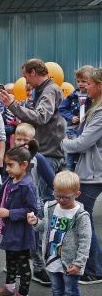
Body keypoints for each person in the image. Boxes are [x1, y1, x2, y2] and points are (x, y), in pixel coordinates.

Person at [28, 171, 92, 296]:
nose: (61, 200)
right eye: (57, 195)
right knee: (56, 290)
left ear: (77, 194)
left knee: (72, 293)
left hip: (70, 263)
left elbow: (85, 241)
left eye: (66, 197)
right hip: (52, 259)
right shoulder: (51, 207)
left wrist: (79, 263)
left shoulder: (81, 215)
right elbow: (46, 226)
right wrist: (36, 222)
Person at [0, 59, 65, 199]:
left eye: (26, 76)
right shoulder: (44, 90)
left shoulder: (49, 90)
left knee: (40, 198)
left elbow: (41, 117)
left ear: (33, 72)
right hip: (47, 151)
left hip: (48, 152)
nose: (26, 80)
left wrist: (13, 105)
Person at [61, 67, 102, 284]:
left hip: (93, 173)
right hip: (91, 170)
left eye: (90, 83)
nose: (86, 86)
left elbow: (82, 143)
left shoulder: (100, 111)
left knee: (83, 219)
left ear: (99, 86)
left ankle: (95, 269)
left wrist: (64, 142)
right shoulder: (94, 107)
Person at [0, 143, 38, 296]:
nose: (7, 169)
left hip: (22, 233)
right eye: (7, 165)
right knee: (10, 260)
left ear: (24, 165)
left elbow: (31, 210)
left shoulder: (27, 185)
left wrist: (9, 213)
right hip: (11, 230)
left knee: (23, 265)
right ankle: (9, 288)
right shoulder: (11, 180)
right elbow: (4, 197)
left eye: (11, 165)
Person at [13, 123, 55, 285]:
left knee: (35, 238)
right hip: (14, 205)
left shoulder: (38, 158)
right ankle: (17, 264)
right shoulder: (11, 157)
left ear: (33, 141)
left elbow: (52, 180)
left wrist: (62, 195)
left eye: (26, 140)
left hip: (33, 205)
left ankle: (38, 268)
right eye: (19, 139)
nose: (22, 143)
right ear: (14, 139)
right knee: (15, 236)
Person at [59, 65, 93, 171]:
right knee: (71, 151)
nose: (80, 84)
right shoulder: (73, 95)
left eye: (84, 81)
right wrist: (71, 117)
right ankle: (69, 171)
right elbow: (61, 108)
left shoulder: (93, 96)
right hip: (73, 129)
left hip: (86, 129)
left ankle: (80, 171)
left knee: (82, 152)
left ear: (91, 81)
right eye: (78, 81)